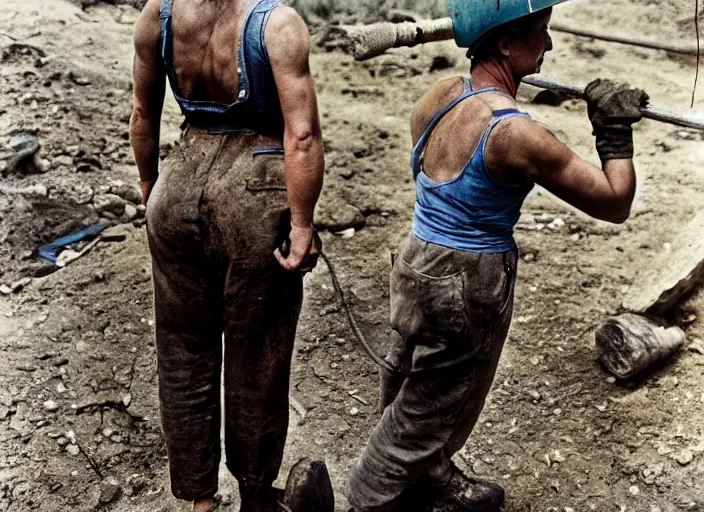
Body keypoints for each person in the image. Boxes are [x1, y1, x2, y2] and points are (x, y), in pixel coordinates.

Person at [345, 0, 649, 511]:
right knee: (425, 409)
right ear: (506, 43)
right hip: (466, 279)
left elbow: (428, 170)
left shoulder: (441, 95)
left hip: (417, 257)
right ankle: (367, 500)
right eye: (541, 32)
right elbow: (614, 202)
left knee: (411, 380)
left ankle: (432, 478)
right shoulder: (513, 133)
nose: (549, 45)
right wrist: (614, 132)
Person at [130, 0, 333, 511]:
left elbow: (142, 113)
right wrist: (303, 224)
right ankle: (256, 496)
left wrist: (154, 192)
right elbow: (302, 135)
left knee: (182, 350)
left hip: (178, 183)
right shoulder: (277, 25)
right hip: (254, 198)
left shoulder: (160, 15)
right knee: (256, 356)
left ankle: (200, 500)